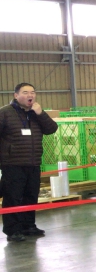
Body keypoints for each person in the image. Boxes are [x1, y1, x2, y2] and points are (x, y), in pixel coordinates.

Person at [0, 83, 59, 243]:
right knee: (13, 197)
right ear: (16, 95)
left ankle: (28, 226)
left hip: (33, 162)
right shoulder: (5, 113)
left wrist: (41, 113)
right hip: (13, 163)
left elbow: (52, 129)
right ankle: (13, 230)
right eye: (25, 92)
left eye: (32, 92)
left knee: (31, 196)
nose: (30, 95)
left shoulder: (36, 113)